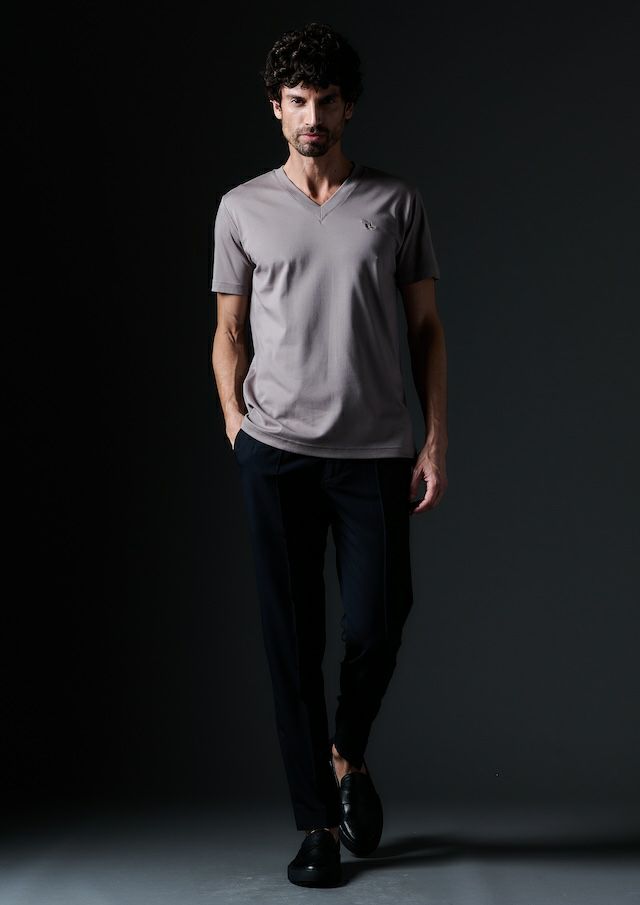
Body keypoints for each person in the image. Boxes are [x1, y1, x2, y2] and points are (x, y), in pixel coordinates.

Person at [210, 21, 448, 888]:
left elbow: (427, 329)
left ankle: (347, 750)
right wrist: (236, 425)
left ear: (350, 107)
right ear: (277, 109)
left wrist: (434, 437)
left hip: (376, 450)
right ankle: (316, 823)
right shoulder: (241, 208)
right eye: (298, 101)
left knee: (377, 621)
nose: (313, 117)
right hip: (275, 453)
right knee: (293, 640)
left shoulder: (396, 203)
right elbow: (228, 331)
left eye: (327, 101)